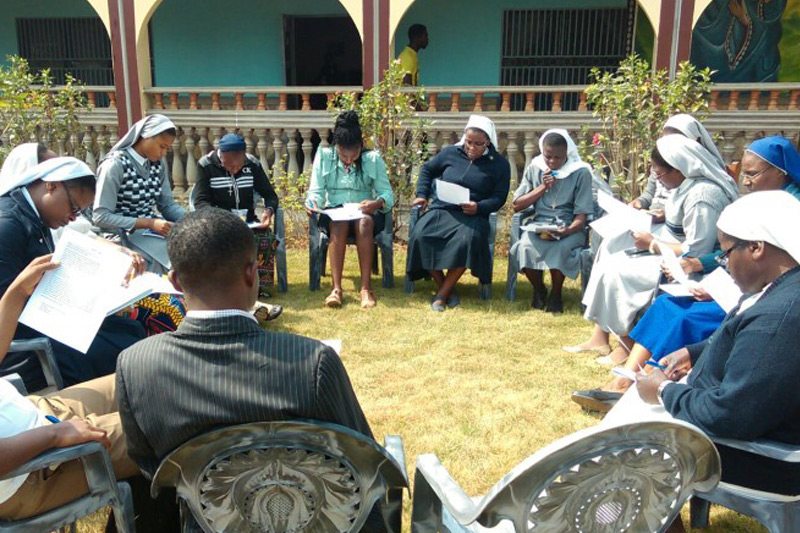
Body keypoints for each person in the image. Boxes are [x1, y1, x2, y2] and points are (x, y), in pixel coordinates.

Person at [116, 208, 380, 529]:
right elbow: (363, 462)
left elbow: (149, 469)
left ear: (175, 281)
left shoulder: (135, 365)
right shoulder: (313, 362)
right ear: (252, 274)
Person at [572, 135, 800, 412]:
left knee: (685, 317)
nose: (746, 182)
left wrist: (703, 270)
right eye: (745, 174)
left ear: (780, 171)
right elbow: (735, 252)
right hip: (741, 287)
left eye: (753, 174)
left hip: (759, 296)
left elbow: (755, 259)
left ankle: (646, 387)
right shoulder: (764, 200)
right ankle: (627, 379)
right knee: (666, 304)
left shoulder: (789, 207)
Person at [637, 190, 800, 498]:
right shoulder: (783, 289)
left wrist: (663, 391)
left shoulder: (778, 317)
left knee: (626, 449)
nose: (724, 266)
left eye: (725, 255)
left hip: (765, 461)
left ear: (756, 247)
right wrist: (695, 352)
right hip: (759, 433)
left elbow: (730, 415)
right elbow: (750, 346)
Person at [567, 135, 738, 357]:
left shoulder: (703, 196)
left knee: (620, 273)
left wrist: (652, 244)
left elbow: (697, 251)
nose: (657, 179)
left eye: (660, 174)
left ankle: (626, 344)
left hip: (691, 265)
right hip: (670, 249)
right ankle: (603, 338)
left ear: (679, 168)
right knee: (611, 254)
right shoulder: (686, 185)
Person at [0, 255, 140, 522]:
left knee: (141, 378)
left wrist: (17, 292)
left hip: (39, 416)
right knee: (167, 420)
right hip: (31, 471)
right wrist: (55, 435)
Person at [0, 158, 146, 390]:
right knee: (119, 349)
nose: (73, 218)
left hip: (47, 319)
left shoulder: (34, 215)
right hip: (24, 341)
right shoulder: (7, 225)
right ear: (52, 185)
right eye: (74, 208)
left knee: (131, 329)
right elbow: (7, 302)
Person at [407, 115, 511, 311]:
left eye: (478, 144)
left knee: (467, 241)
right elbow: (427, 170)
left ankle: (441, 296)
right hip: (442, 209)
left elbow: (499, 197)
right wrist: (422, 195)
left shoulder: (499, 164)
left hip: (473, 215)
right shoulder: (450, 153)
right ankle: (448, 290)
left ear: (488, 142)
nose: (471, 147)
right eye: (468, 142)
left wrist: (479, 206)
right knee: (420, 236)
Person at [305, 111, 394, 309]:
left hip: (365, 212)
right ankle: (336, 289)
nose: (348, 160)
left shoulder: (373, 159)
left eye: (354, 155)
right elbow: (316, 191)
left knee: (364, 223)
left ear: (361, 146)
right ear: (336, 146)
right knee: (338, 223)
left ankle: (366, 289)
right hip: (335, 213)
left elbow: (387, 193)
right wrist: (312, 203)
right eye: (343, 155)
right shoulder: (324, 156)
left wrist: (376, 203)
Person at [196, 132, 283, 320]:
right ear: (221, 156)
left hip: (248, 222)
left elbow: (270, 195)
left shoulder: (252, 164)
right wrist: (219, 218)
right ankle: (232, 291)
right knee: (223, 244)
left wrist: (268, 211)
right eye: (229, 165)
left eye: (238, 165)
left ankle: (258, 289)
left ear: (244, 157)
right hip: (220, 223)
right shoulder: (206, 165)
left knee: (265, 238)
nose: (234, 170)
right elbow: (201, 202)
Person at [509, 129, 593, 313]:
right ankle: (539, 289)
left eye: (558, 157)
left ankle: (556, 294)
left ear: (567, 154)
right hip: (540, 224)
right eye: (548, 156)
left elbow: (582, 215)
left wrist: (567, 231)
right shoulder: (535, 167)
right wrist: (543, 187)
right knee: (524, 246)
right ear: (542, 152)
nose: (553, 161)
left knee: (561, 248)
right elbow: (517, 205)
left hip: (570, 226)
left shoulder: (580, 172)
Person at [93, 114, 186, 272]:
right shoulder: (115, 165)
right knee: (171, 259)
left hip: (150, 231)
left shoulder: (157, 164)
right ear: (146, 136)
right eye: (162, 146)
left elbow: (167, 205)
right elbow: (101, 217)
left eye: (167, 148)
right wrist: (147, 223)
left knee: (189, 249)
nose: (164, 153)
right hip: (120, 234)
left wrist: (196, 220)